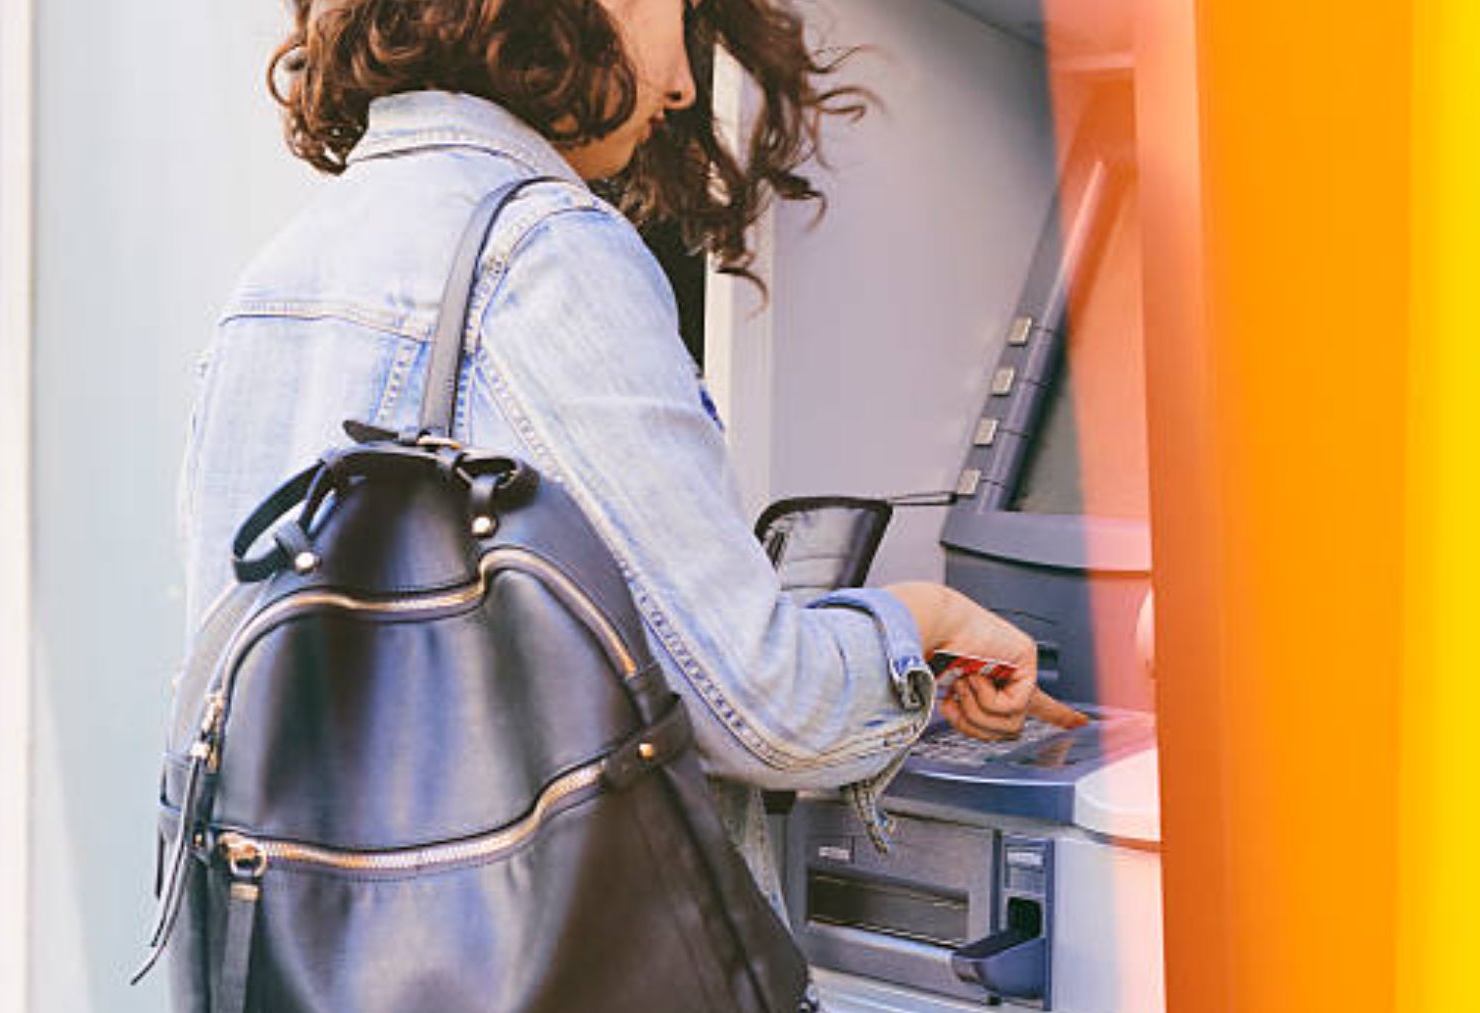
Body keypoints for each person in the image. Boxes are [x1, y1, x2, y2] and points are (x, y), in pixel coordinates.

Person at [180, 0, 1078, 912]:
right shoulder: (545, 254)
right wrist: (918, 621)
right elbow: (767, 711)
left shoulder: (279, 276)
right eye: (674, 13)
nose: (686, 84)